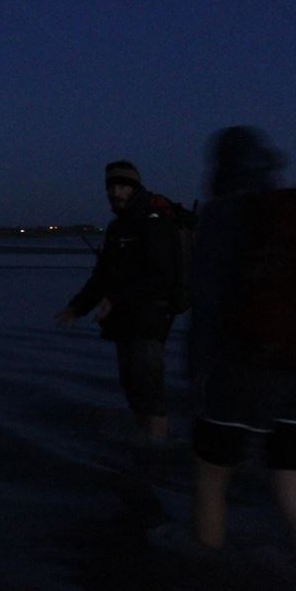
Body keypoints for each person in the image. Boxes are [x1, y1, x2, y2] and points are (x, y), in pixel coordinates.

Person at [187, 126, 296, 589]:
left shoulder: (222, 213)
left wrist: (196, 375)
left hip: (243, 371)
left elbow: (207, 302)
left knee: (211, 484)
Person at [55, 160, 180, 442]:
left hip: (149, 322)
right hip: (124, 323)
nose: (115, 192)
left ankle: (157, 455)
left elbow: (161, 277)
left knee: (150, 393)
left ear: (135, 187)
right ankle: (144, 446)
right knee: (132, 387)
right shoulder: (116, 228)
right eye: (111, 186)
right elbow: (102, 276)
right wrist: (77, 307)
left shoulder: (153, 222)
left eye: (123, 185)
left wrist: (118, 301)